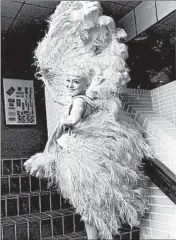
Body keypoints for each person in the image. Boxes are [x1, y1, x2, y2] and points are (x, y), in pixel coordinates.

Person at [24, 2, 155, 239]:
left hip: (82, 156)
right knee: (89, 204)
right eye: (69, 82)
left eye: (75, 81)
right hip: (85, 154)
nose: (70, 85)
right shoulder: (86, 97)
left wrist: (65, 120)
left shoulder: (79, 101)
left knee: (88, 204)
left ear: (85, 83)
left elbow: (74, 120)